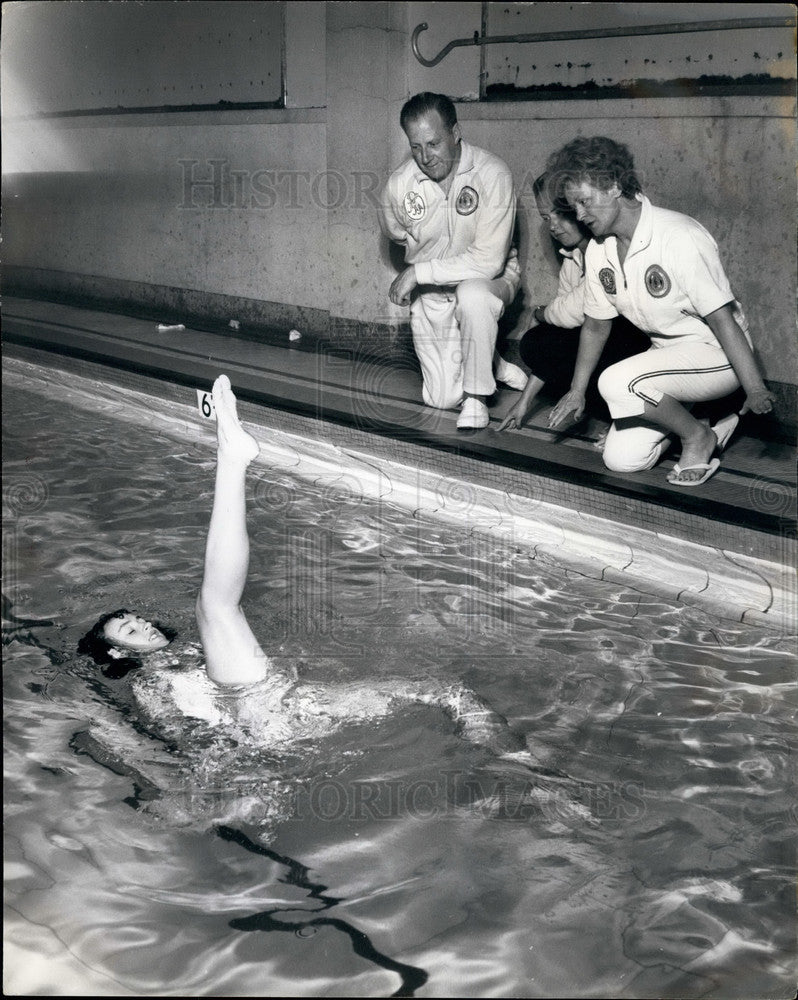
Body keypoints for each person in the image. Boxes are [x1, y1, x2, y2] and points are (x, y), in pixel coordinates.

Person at [79, 375, 523, 754]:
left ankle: (523, 766)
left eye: (136, 619)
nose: (144, 625)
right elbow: (182, 735)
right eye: (130, 631)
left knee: (444, 691)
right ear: (117, 653)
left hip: (296, 705)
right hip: (255, 719)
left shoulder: (190, 654)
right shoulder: (150, 683)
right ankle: (231, 460)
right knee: (213, 606)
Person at [544, 136, 774, 486]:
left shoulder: (679, 235)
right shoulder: (599, 251)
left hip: (717, 353)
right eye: (573, 206)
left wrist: (754, 387)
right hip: (668, 358)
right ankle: (707, 422)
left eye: (584, 201)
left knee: (615, 382)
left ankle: (697, 437)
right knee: (622, 460)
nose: (579, 214)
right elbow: (595, 327)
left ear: (614, 186)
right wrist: (576, 391)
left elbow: (721, 319)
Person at [378, 92, 527, 430]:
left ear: (456, 132)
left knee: (473, 296)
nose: (425, 157)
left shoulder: (493, 174)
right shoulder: (399, 185)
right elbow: (395, 233)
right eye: (415, 147)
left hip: (491, 280)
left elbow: (489, 261)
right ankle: (491, 361)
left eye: (433, 144)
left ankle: (476, 397)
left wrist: (419, 271)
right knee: (441, 399)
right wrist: (426, 269)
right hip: (432, 292)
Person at [498, 172, 648, 433]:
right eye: (546, 218)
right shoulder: (572, 258)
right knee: (537, 342)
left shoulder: (608, 247)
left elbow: (573, 311)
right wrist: (523, 403)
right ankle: (600, 404)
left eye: (560, 213)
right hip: (603, 347)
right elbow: (561, 327)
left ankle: (631, 413)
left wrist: (540, 312)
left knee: (568, 335)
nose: (553, 226)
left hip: (639, 347)